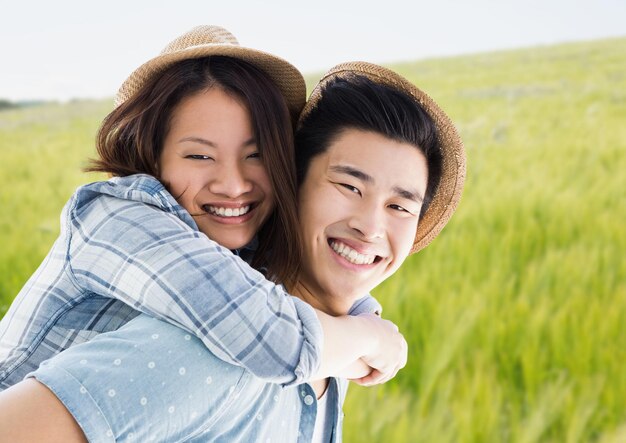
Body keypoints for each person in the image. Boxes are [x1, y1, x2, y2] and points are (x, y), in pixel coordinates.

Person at [0, 62, 465, 442]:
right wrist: (374, 337)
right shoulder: (210, 344)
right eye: (348, 186)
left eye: (400, 206)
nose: (233, 185)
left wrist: (364, 326)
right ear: (293, 182)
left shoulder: (330, 349)